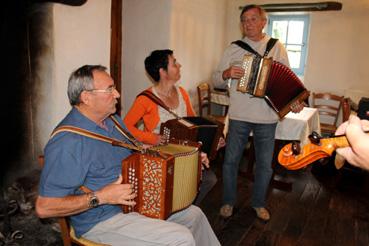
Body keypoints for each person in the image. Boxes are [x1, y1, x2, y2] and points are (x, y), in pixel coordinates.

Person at [35, 65, 220, 245]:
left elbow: (140, 149)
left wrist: (190, 155)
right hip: (102, 220)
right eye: (109, 89)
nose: (117, 94)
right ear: (86, 97)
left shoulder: (113, 121)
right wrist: (100, 197)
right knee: (181, 238)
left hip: (138, 201)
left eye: (114, 87)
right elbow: (44, 207)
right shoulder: (68, 142)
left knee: (195, 216)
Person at [212, 4, 304, 221]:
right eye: (244, 20)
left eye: (253, 19)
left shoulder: (276, 47)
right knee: (231, 161)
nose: (248, 23)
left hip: (267, 117)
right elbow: (215, 79)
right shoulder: (233, 48)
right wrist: (226, 73)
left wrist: (294, 102)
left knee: (264, 165)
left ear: (264, 22)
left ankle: (259, 203)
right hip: (239, 115)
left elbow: (287, 81)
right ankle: (228, 201)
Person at [124, 49, 218, 205]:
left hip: (183, 154)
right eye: (174, 63)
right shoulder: (145, 99)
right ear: (163, 71)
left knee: (209, 179)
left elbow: (195, 124)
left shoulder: (182, 93)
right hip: (160, 157)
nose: (179, 65)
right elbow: (125, 127)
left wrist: (214, 139)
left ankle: (185, 208)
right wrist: (153, 138)